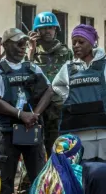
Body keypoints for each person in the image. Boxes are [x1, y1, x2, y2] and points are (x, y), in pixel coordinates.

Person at [52, 24, 106, 167]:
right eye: (73, 42)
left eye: (81, 42)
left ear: (92, 43)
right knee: (84, 176)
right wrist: (68, 97)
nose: (76, 46)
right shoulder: (68, 67)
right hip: (80, 134)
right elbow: (56, 85)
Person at [0, 28, 54, 194]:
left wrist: (35, 115)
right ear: (6, 45)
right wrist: (20, 115)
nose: (23, 47)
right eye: (18, 43)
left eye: (24, 43)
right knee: (6, 180)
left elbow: (49, 90)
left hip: (31, 129)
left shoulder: (32, 68)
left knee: (38, 177)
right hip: (8, 131)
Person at [28, 12, 73, 157]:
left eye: (51, 28)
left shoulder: (65, 51)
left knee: (56, 144)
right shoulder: (30, 49)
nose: (47, 31)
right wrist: (31, 50)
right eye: (44, 28)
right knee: (33, 146)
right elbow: (24, 71)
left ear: (56, 29)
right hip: (35, 105)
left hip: (58, 105)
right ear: (37, 31)